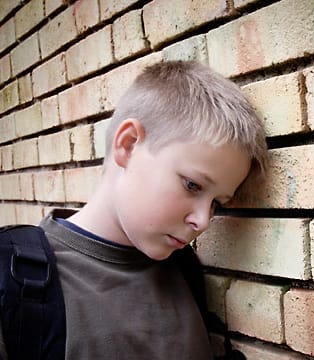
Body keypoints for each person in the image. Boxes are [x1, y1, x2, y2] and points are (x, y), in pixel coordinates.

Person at [0, 61, 268, 359]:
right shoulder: (13, 281)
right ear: (128, 145)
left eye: (217, 203)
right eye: (192, 185)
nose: (203, 221)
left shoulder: (184, 270)